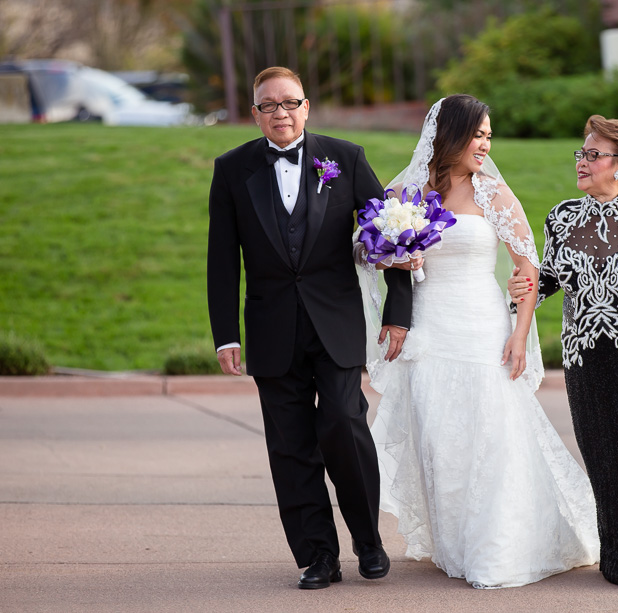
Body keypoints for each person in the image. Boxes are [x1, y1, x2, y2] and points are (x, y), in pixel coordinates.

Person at [356, 94, 600, 589]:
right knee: (440, 435)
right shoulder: (405, 191)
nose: (486, 144)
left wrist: (519, 332)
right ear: (450, 135)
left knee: (493, 431)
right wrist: (392, 259)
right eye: (478, 134)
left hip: (482, 326)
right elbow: (366, 249)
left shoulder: (493, 194)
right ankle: (456, 544)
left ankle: (498, 549)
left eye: (490, 135)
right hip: (428, 328)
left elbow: (527, 269)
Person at [206, 66, 413, 590]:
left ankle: (368, 541)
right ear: (254, 114)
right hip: (272, 327)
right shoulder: (231, 169)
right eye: (268, 105)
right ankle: (317, 555)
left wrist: (399, 309)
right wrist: (225, 333)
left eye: (289, 103)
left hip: (335, 322)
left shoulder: (345, 158)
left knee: (344, 422)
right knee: (291, 445)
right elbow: (221, 259)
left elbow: (390, 234)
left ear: (306, 106)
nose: (281, 113)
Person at [508, 115, 618, 592]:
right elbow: (550, 277)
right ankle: (617, 557)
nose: (583, 162)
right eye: (581, 153)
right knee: (602, 454)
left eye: (594, 155)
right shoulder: (562, 217)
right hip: (584, 353)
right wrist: (522, 289)